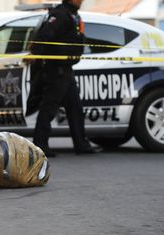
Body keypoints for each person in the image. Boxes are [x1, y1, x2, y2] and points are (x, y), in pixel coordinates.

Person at [29, 0, 101, 157]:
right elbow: (45, 35)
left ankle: (81, 145)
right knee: (49, 108)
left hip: (66, 69)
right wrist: (36, 54)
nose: (81, 1)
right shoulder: (60, 15)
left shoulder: (72, 15)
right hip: (56, 70)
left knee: (75, 109)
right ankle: (40, 145)